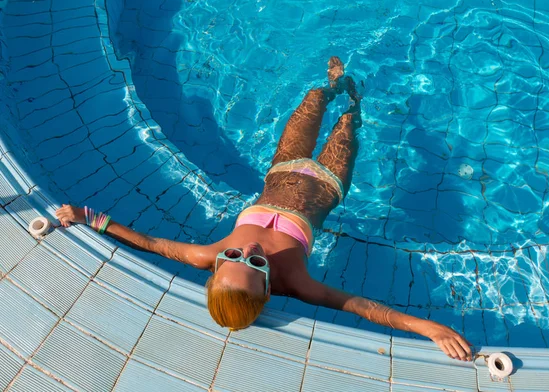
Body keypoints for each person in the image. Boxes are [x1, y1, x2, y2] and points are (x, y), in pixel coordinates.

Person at [56, 57, 472, 361]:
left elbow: (149, 242)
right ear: (269, 287)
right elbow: (364, 307)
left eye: (233, 256)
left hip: (285, 164)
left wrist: (87, 217)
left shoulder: (208, 254)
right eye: (255, 263)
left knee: (314, 99)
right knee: (348, 122)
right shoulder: (296, 281)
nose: (247, 249)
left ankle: (335, 83)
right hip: (328, 179)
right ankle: (355, 103)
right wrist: (427, 327)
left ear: (218, 266)